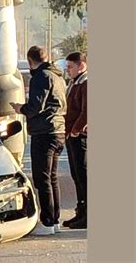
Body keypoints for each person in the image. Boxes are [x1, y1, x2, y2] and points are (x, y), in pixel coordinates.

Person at [10, 46, 67, 235]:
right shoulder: (57, 76)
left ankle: (48, 221)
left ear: (30, 61)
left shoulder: (41, 76)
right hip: (58, 130)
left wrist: (21, 109)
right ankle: (55, 220)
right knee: (51, 177)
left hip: (44, 132)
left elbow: (36, 106)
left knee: (42, 178)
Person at [62, 52, 87, 229]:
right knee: (76, 175)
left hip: (80, 137)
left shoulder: (86, 83)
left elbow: (87, 111)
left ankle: (88, 214)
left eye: (71, 67)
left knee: (83, 175)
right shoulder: (74, 83)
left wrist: (75, 130)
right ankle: (81, 211)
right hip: (71, 136)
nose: (68, 70)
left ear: (81, 66)